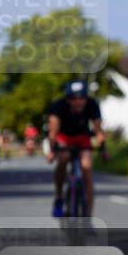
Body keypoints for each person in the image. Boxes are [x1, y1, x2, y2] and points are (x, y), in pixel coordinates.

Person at [46, 80, 105, 217]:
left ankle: (88, 215)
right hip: (64, 137)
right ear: (68, 99)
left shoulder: (92, 104)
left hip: (82, 137)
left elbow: (98, 131)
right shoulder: (58, 106)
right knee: (63, 158)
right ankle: (59, 196)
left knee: (87, 167)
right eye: (74, 98)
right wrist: (52, 151)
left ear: (86, 98)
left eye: (82, 98)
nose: (78, 102)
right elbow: (53, 132)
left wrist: (103, 149)